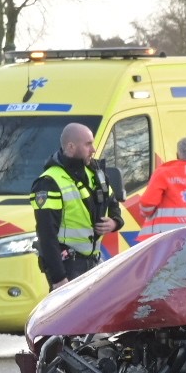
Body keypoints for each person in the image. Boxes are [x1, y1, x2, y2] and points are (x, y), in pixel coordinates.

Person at [31, 122, 119, 287]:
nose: (93, 150)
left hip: (94, 262)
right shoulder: (49, 182)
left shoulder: (94, 172)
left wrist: (115, 222)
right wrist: (59, 278)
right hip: (69, 266)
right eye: (88, 144)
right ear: (71, 147)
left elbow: (113, 202)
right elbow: (47, 235)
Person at [136, 137, 186, 234]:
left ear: (177, 155)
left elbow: (147, 203)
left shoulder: (163, 173)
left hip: (166, 236)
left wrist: (145, 213)